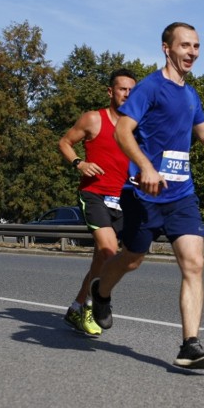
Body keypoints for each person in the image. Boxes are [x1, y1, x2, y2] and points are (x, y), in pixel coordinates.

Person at [88, 22, 204, 369]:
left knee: (194, 263)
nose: (192, 52)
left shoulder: (191, 95)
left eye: (196, 46)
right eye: (185, 45)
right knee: (132, 259)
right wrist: (145, 166)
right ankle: (100, 292)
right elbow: (122, 131)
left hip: (181, 195)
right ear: (167, 48)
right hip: (143, 195)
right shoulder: (150, 87)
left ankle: (189, 345)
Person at [57, 68, 136, 337]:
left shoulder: (136, 125)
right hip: (95, 194)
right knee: (109, 251)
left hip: (124, 199)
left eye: (131, 90)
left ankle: (77, 307)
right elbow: (65, 142)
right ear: (110, 91)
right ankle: (97, 303)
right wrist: (79, 163)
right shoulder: (94, 119)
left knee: (101, 263)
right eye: (122, 89)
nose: (127, 94)